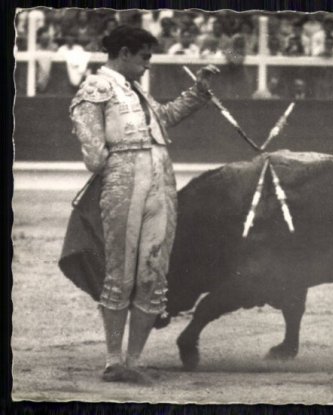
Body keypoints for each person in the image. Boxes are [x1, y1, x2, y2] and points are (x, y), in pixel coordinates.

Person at [68, 25, 218, 384]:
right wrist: (122, 166)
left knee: (153, 273)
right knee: (121, 273)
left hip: (160, 179)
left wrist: (198, 92)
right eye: (144, 57)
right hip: (125, 182)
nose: (148, 64)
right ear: (124, 53)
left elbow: (164, 118)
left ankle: (133, 361)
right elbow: (93, 157)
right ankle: (113, 361)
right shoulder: (95, 88)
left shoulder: (135, 90)